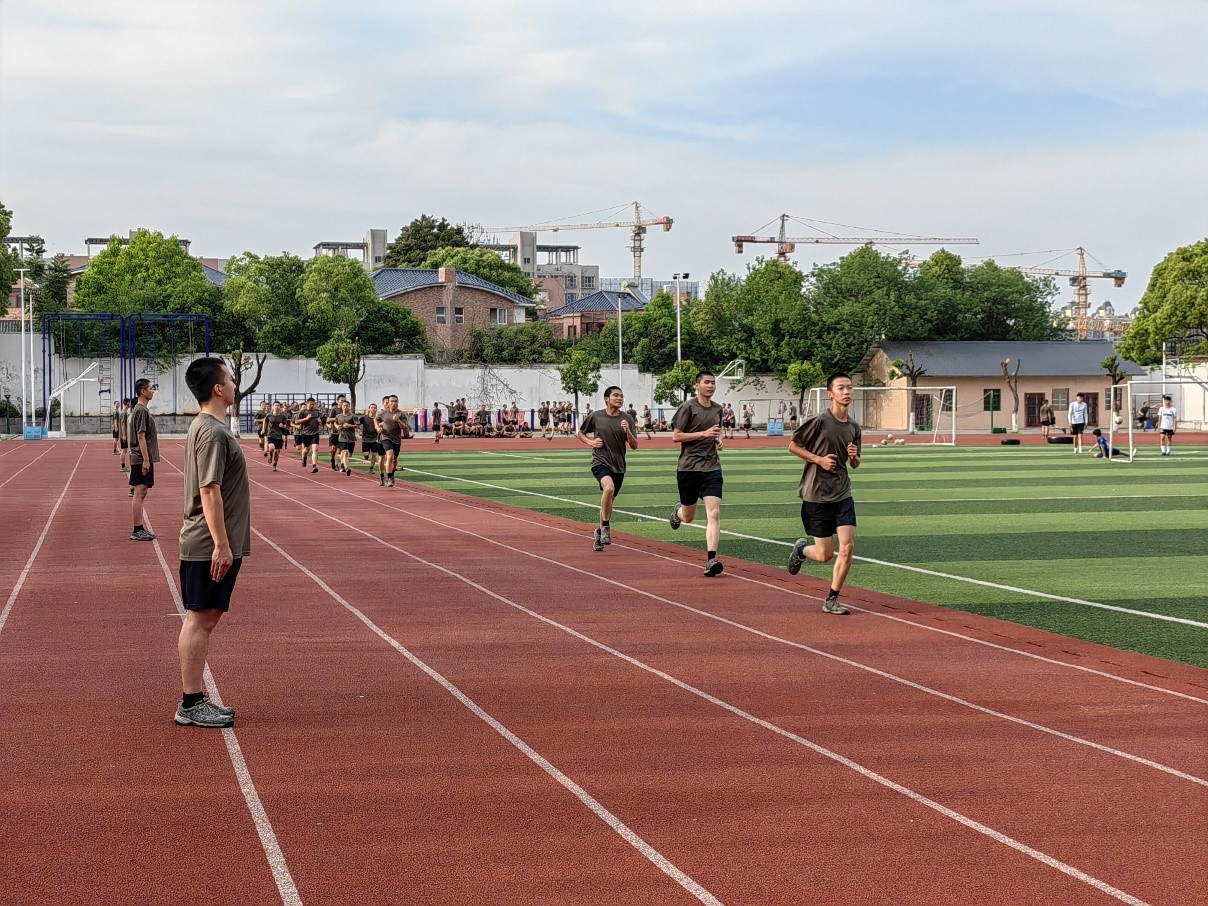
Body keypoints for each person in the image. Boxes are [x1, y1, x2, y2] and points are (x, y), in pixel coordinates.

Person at [174, 357, 250, 729]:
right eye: (231, 378)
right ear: (218, 388)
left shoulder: (210, 427)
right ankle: (190, 702)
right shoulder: (212, 432)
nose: (235, 384)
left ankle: (194, 697)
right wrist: (221, 543)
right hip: (207, 543)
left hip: (211, 541)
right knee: (200, 618)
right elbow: (209, 489)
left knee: (205, 617)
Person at [786, 372, 863, 616]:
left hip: (842, 493)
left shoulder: (854, 427)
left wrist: (853, 457)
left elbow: (856, 464)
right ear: (830, 394)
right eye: (841, 388)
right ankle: (801, 551)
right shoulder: (820, 420)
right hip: (816, 494)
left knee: (848, 547)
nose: (847, 392)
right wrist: (818, 459)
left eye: (849, 387)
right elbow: (793, 446)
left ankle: (831, 599)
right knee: (824, 555)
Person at [669, 370, 725, 577]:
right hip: (688, 467)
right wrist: (704, 434)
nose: (711, 386)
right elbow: (676, 436)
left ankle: (712, 559)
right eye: (707, 382)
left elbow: (716, 433)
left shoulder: (718, 409)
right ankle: (678, 513)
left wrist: (718, 440)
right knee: (689, 517)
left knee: (714, 513)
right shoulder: (687, 407)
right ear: (697, 385)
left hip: (711, 467)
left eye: (713, 383)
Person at [578, 385, 639, 552]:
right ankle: (605, 527)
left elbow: (634, 446)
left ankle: (598, 533)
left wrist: (627, 431)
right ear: (607, 398)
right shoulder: (596, 416)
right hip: (600, 461)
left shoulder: (627, 419)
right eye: (616, 395)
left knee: (609, 501)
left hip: (619, 466)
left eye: (621, 396)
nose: (619, 398)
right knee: (609, 488)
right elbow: (581, 432)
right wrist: (590, 442)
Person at [128, 379, 160, 541]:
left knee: (142, 492)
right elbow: (141, 437)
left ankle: (139, 528)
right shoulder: (141, 411)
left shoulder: (141, 410)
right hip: (140, 457)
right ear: (142, 391)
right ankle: (137, 529)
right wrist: (146, 460)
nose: (153, 391)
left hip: (141, 456)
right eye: (150, 388)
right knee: (139, 492)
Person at [375, 394, 410, 486]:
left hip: (396, 439)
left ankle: (392, 474)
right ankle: (387, 477)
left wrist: (398, 421)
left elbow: (405, 427)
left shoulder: (401, 414)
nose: (393, 403)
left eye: (395, 401)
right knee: (389, 455)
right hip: (385, 437)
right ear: (388, 403)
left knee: (394, 459)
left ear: (398, 403)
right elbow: (375, 419)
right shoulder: (383, 413)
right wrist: (377, 427)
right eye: (392, 401)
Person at [291, 398, 324, 473]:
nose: (312, 405)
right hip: (305, 433)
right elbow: (296, 421)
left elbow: (319, 421)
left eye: (313, 404)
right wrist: (306, 418)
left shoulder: (317, 411)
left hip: (315, 433)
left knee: (315, 449)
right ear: (307, 404)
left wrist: (320, 423)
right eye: (310, 404)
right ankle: (304, 457)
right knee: (306, 450)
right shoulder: (303, 412)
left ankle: (314, 465)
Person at [334, 398, 358, 475]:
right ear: (342, 406)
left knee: (349, 454)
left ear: (349, 407)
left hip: (351, 438)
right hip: (342, 437)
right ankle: (347, 468)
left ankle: (342, 464)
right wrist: (337, 426)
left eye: (347, 406)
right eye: (344, 406)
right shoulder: (338, 416)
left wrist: (349, 425)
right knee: (345, 452)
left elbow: (358, 426)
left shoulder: (353, 416)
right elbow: (335, 422)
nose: (345, 407)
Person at [265, 401, 288, 471]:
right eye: (275, 405)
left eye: (278, 406)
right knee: (271, 448)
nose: (277, 407)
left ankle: (274, 465)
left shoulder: (283, 416)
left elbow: (285, 425)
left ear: (280, 407)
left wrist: (283, 426)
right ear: (273, 406)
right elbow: (265, 422)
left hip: (279, 435)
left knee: (277, 452)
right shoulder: (269, 415)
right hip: (270, 434)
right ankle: (270, 455)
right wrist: (263, 429)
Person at [359, 402, 381, 472]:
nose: (373, 409)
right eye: (372, 407)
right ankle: (366, 457)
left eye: (375, 408)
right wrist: (360, 431)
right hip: (365, 439)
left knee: (374, 455)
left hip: (374, 439)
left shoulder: (378, 418)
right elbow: (360, 426)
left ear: (376, 409)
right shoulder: (363, 418)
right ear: (369, 409)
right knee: (366, 454)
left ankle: (371, 469)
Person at [118, 398, 132, 475]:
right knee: (124, 450)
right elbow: (123, 424)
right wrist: (124, 435)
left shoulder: (125, 412)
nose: (130, 404)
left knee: (124, 450)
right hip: (124, 435)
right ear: (127, 403)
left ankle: (123, 466)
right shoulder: (124, 413)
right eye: (129, 403)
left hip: (124, 435)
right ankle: (123, 467)